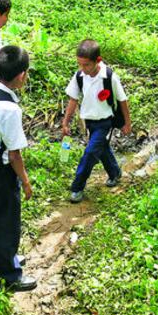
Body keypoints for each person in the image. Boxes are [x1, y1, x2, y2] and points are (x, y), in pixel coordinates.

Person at [0, 45, 37, 291]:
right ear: (22, 75)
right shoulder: (10, 109)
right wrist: (25, 180)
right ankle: (9, 275)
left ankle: (3, 257)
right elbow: (14, 155)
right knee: (6, 223)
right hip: (0, 174)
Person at [61, 39, 132, 204]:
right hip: (89, 122)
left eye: (86, 65)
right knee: (102, 148)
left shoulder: (109, 77)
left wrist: (127, 123)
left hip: (105, 122)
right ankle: (115, 173)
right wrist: (66, 122)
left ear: (97, 60)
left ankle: (77, 187)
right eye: (79, 64)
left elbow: (122, 101)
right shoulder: (80, 76)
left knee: (90, 153)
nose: (82, 68)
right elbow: (73, 99)